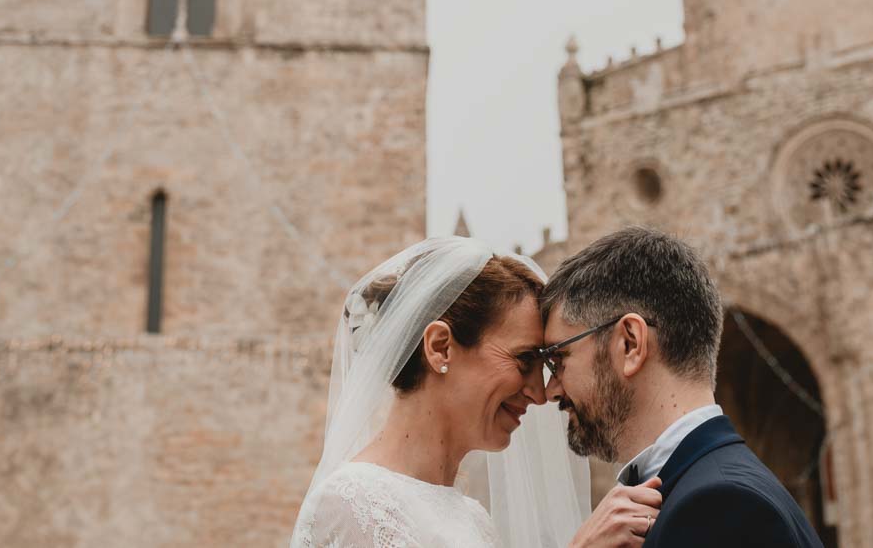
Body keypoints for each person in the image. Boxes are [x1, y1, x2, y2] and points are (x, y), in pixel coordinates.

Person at [291, 236, 662, 548]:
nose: (539, 393)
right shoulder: (349, 504)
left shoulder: (474, 519)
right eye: (523, 360)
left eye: (546, 365)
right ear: (440, 348)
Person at [539, 227, 824, 547]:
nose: (551, 390)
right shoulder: (707, 489)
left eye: (558, 358)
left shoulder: (721, 507)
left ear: (630, 344)